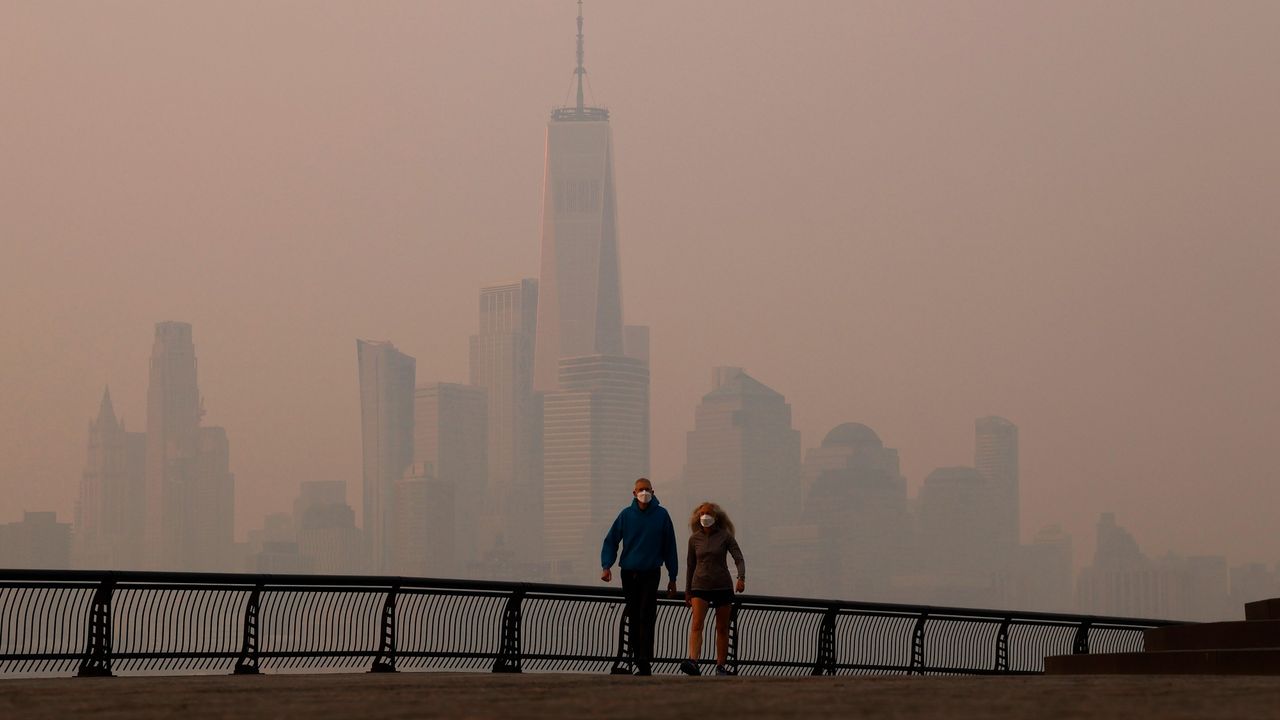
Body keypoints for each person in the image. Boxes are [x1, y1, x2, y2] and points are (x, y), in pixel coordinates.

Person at [601, 477, 679, 676]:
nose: (644, 493)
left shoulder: (662, 515)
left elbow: (670, 546)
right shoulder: (626, 515)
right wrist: (606, 565)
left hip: (651, 572)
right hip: (629, 572)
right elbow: (611, 540)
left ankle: (644, 659)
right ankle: (637, 656)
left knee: (647, 614)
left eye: (647, 489)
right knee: (635, 615)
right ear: (634, 494)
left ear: (653, 491)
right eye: (640, 490)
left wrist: (673, 576)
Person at [680, 502, 745, 677]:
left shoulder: (725, 536)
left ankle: (720, 666)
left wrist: (741, 578)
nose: (704, 516)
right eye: (702, 513)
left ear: (715, 517)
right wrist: (688, 591)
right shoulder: (694, 539)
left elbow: (738, 558)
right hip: (699, 586)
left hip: (722, 586)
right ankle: (693, 661)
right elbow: (690, 565)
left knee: (722, 628)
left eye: (708, 513)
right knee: (696, 624)